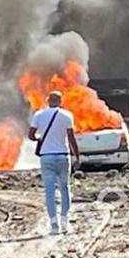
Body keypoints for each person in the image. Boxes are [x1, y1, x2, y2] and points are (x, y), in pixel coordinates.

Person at [28, 91, 80, 235]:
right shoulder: (66, 116)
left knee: (50, 191)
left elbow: (31, 135)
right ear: (60, 101)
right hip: (63, 156)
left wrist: (40, 138)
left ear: (47, 100)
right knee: (65, 188)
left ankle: (54, 224)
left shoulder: (39, 115)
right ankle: (65, 221)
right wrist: (77, 156)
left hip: (46, 157)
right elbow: (71, 138)